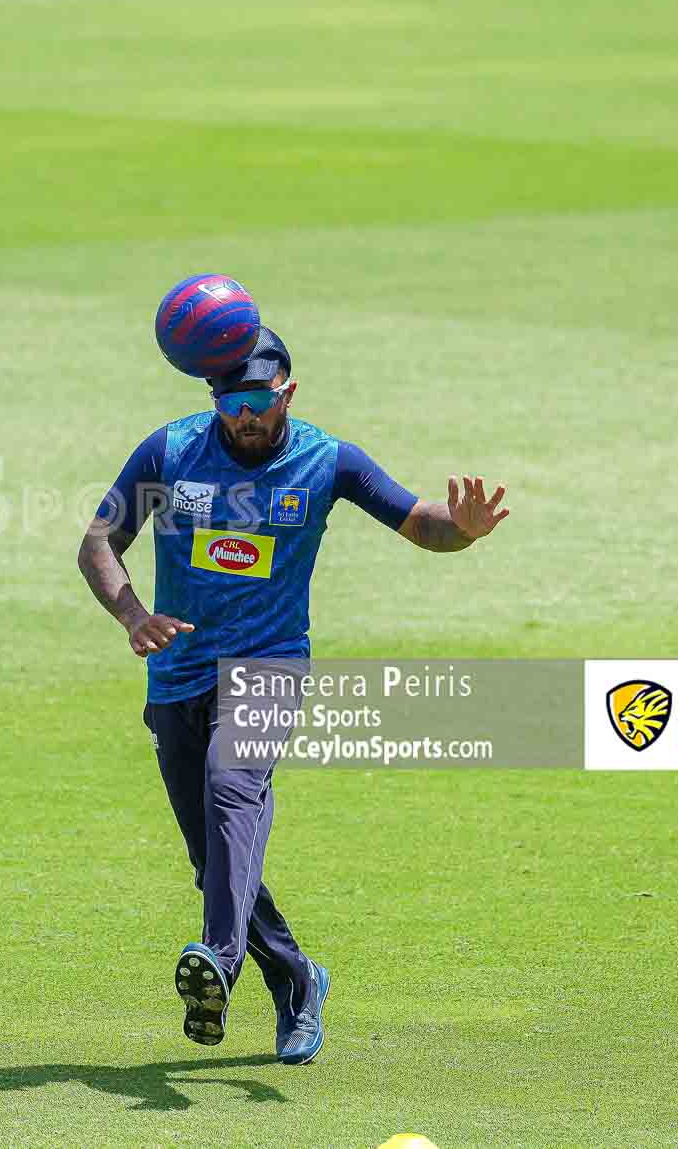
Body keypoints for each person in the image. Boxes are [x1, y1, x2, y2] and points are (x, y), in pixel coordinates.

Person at [76, 326, 510, 1063]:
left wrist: (462, 531)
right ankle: (299, 979)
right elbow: (99, 542)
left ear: (289, 393)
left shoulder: (327, 460)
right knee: (215, 862)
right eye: (230, 403)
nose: (245, 416)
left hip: (270, 666)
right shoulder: (170, 453)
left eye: (259, 400)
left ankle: (219, 960)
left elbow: (420, 523)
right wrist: (133, 615)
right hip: (178, 672)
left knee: (232, 784)